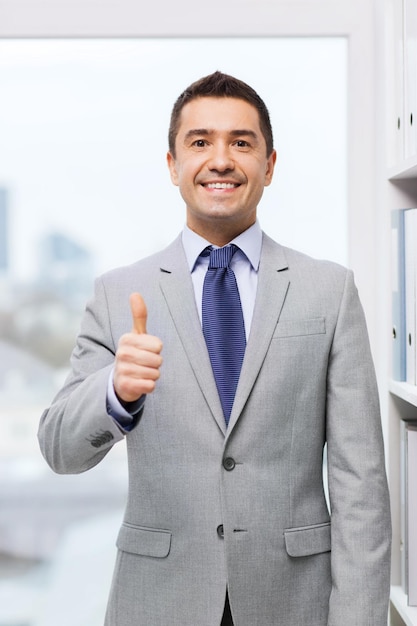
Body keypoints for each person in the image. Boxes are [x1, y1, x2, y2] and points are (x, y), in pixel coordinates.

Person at [38, 71, 391, 626]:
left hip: (294, 603)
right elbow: (59, 449)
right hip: (157, 601)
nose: (220, 160)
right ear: (173, 164)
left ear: (269, 165)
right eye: (200, 142)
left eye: (241, 143)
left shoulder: (330, 290)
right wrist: (113, 392)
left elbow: (360, 483)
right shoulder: (117, 292)